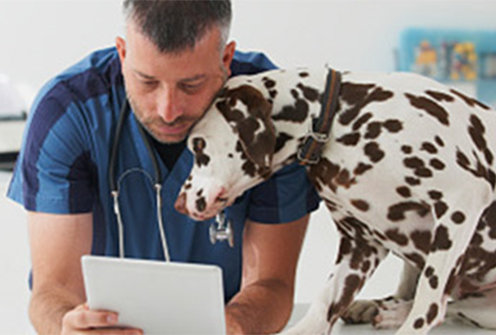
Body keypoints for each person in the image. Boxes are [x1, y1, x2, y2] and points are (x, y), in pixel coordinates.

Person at [7, 1, 320, 334]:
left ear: (226, 59)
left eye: (191, 85)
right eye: (147, 82)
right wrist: (66, 325)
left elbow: (272, 284)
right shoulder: (69, 112)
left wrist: (232, 326)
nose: (168, 110)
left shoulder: (274, 114)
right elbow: (52, 291)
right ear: (122, 53)